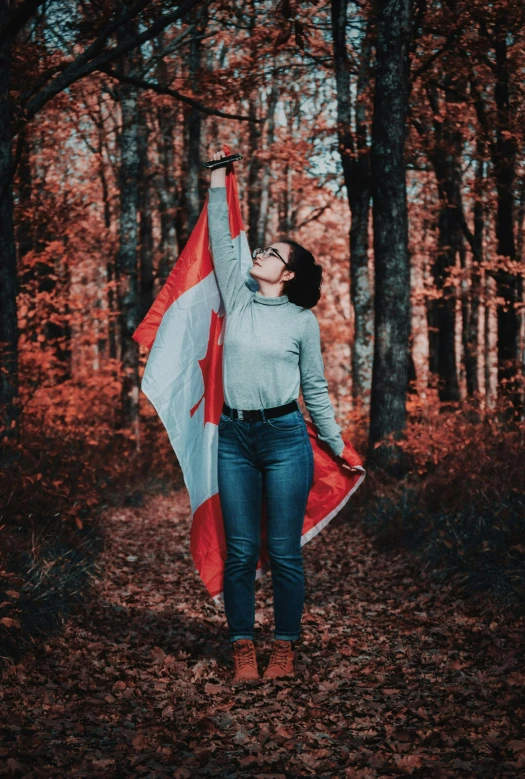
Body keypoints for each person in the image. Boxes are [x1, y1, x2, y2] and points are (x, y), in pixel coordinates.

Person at [207, 149, 359, 685]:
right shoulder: (239, 302)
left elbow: (315, 388)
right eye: (264, 248)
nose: (261, 253)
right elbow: (224, 244)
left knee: (283, 550)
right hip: (233, 439)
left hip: (285, 438)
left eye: (272, 253)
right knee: (242, 550)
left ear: (287, 273)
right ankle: (243, 647)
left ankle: (286, 648)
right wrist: (218, 179)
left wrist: (337, 442)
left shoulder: (302, 322)